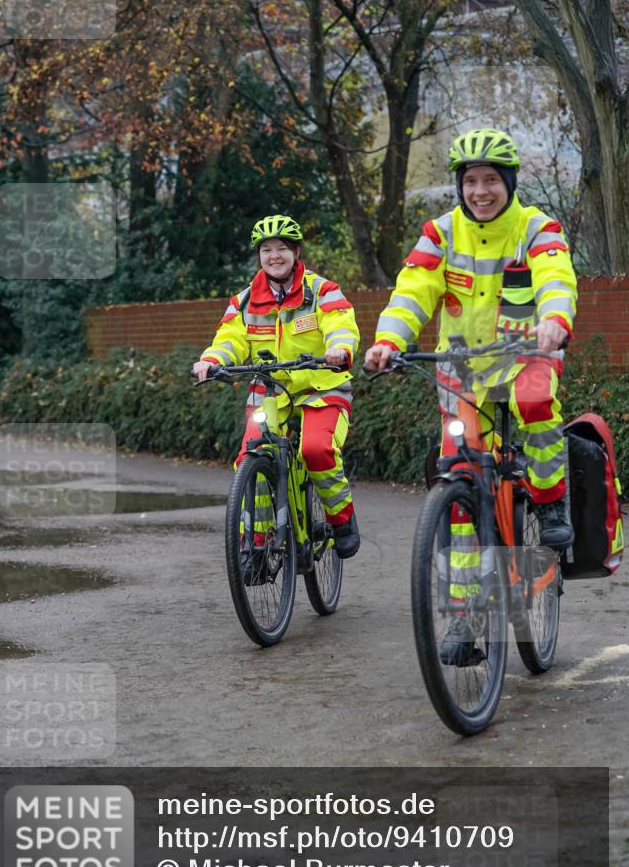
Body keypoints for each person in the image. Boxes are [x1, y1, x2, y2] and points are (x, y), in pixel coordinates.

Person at [365, 127, 577, 664]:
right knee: (460, 493)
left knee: (535, 404)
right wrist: (389, 340)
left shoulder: (535, 227)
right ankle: (464, 620)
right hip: (461, 372)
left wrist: (554, 319)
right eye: (470, 181)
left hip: (527, 356)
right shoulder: (440, 234)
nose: (480, 191)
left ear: (508, 182)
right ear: (460, 185)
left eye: (490, 181)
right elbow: (413, 291)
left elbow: (556, 275)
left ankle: (551, 502)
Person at [193, 213, 361, 560]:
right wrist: (212, 360)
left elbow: (341, 325)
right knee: (250, 459)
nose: (274, 256)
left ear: (296, 252)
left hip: (321, 387)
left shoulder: (322, 291)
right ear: (258, 256)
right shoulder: (243, 302)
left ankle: (341, 519)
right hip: (269, 393)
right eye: (266, 249)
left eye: (282, 248)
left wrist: (339, 349)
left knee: (316, 450)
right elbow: (229, 339)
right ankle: (255, 544)